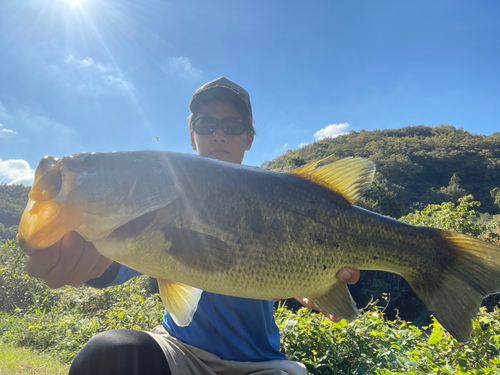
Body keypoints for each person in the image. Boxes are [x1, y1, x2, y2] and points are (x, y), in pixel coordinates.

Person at [23, 77, 360, 375]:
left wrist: (316, 283)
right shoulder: (152, 202)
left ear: (249, 138)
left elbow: (297, 264)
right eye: (205, 124)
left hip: (262, 363)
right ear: (191, 135)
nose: (217, 134)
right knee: (107, 354)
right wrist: (73, 254)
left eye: (231, 125)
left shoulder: (281, 198)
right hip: (180, 351)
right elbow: (110, 267)